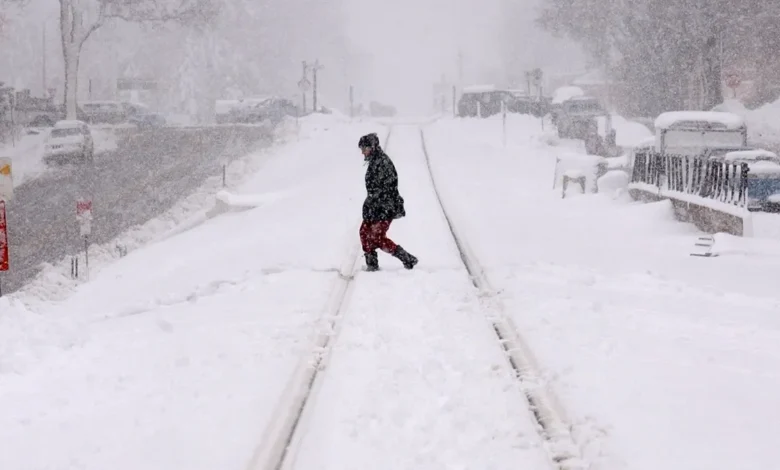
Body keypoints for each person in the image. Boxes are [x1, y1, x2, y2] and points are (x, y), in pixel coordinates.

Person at [358, 133, 418, 271]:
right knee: (364, 232)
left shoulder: (383, 162)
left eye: (364, 149)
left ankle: (407, 258)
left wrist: (376, 203)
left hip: (385, 207)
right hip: (374, 207)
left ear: (372, 147)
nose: (362, 152)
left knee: (376, 237)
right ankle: (371, 264)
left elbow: (387, 188)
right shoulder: (375, 161)